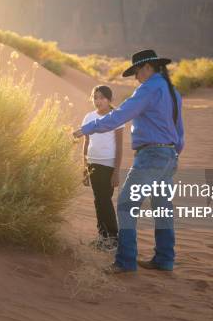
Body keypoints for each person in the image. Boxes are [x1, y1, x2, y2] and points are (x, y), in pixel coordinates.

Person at [73, 49, 184, 273]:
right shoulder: (172, 91)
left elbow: (119, 115)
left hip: (151, 155)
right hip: (169, 155)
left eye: (136, 72)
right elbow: (179, 129)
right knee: (162, 208)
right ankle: (164, 259)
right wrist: (174, 153)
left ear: (147, 68)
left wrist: (87, 129)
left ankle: (125, 261)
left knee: (126, 205)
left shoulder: (149, 88)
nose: (136, 78)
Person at [81, 85, 124, 250]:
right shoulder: (89, 117)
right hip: (92, 163)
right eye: (95, 97)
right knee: (98, 200)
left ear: (109, 99)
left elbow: (119, 147)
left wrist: (116, 172)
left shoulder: (116, 117)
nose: (98, 101)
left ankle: (113, 238)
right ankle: (102, 236)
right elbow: (86, 142)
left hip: (108, 164)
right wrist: (84, 167)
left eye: (102, 97)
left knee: (104, 200)